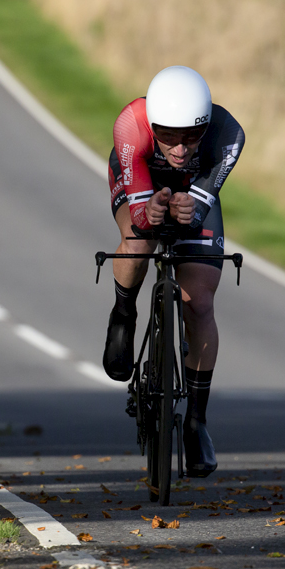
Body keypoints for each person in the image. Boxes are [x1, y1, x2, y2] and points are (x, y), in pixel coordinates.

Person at [103, 65, 245, 478]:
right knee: (140, 240)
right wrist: (147, 213)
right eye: (168, 136)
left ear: (205, 127)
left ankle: (197, 422)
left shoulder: (227, 133)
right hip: (141, 179)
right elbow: (141, 216)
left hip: (195, 187)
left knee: (199, 303)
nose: (181, 148)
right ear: (152, 126)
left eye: (191, 137)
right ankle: (123, 315)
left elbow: (201, 200)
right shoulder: (131, 125)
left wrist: (194, 205)